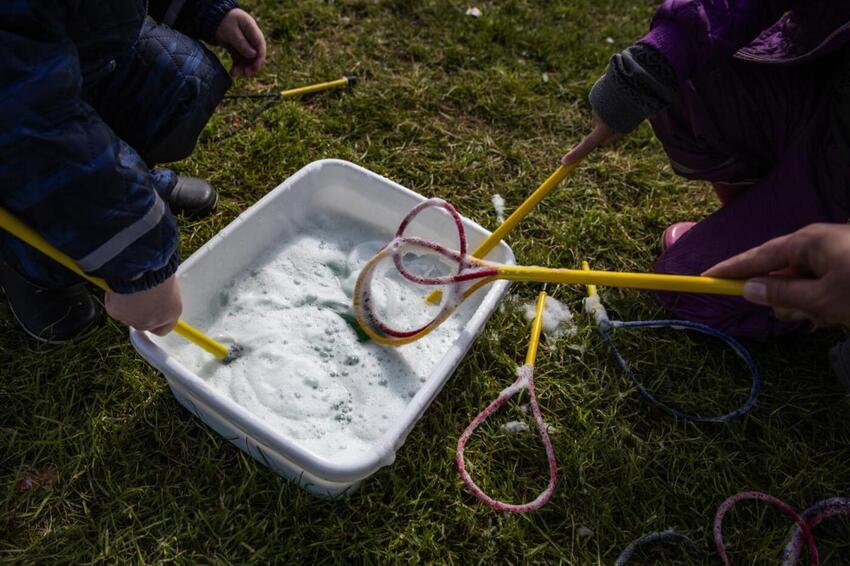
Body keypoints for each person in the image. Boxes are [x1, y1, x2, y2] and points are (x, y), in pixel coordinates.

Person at [561, 1, 850, 340]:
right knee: (687, 71)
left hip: (837, 185)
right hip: (825, 105)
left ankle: (821, 303)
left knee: (687, 287)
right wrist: (658, 58)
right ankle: (751, 217)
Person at [0, 1, 266, 343]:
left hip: (79, 58)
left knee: (182, 78)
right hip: (15, 130)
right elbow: (37, 137)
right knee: (39, 179)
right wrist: (140, 259)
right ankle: (29, 264)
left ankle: (132, 190)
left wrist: (205, 10)